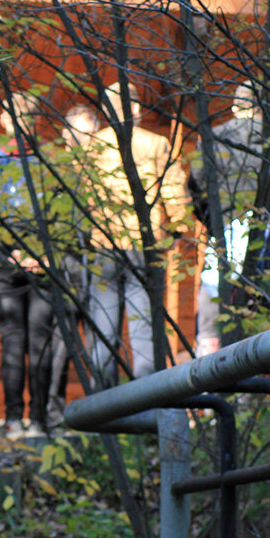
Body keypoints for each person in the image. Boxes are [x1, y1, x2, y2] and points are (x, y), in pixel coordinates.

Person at [77, 82, 188, 385]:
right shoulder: (155, 144)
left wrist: (87, 237)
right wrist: (176, 230)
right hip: (143, 245)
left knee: (102, 329)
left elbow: (81, 198)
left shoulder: (91, 146)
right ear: (136, 108)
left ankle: (103, 407)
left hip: (103, 245)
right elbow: (174, 190)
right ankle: (144, 407)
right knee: (142, 332)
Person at [0, 93, 71, 440]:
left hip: (18, 264)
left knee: (20, 343)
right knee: (33, 344)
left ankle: (19, 421)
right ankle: (31, 421)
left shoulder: (0, 159)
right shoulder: (47, 160)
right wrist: (33, 255)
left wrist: (17, 256)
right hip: (29, 263)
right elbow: (62, 215)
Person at [191, 83, 270, 356]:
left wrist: (210, 220)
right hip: (263, 234)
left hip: (224, 230)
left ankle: (207, 383)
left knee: (211, 310)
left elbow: (195, 183)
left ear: (235, 105)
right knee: (259, 309)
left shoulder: (214, 137)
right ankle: (252, 391)